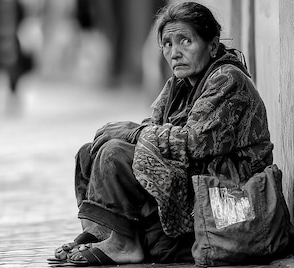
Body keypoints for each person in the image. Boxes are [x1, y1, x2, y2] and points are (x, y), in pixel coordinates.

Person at [50, 2, 274, 266]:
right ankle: (106, 231)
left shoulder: (227, 78)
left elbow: (195, 142)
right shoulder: (178, 85)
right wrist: (127, 133)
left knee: (117, 154)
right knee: (93, 150)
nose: (174, 53)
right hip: (195, 186)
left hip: (230, 201)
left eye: (185, 41)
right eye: (167, 44)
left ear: (212, 46)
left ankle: (125, 243)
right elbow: (153, 127)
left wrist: (133, 132)